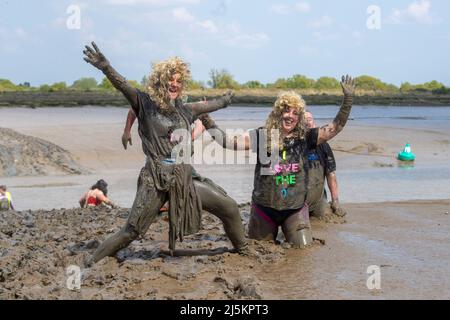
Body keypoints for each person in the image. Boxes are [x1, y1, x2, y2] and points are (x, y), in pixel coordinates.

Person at [82, 42, 248, 265]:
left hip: (183, 178)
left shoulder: (185, 109)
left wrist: (225, 101)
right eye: (170, 78)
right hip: (155, 181)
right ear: (160, 80)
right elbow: (123, 86)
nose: (174, 83)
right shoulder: (144, 103)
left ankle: (245, 249)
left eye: (179, 80)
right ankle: (92, 261)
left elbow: (209, 106)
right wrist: (106, 67)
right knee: (131, 231)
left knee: (228, 207)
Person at [198, 75, 355, 247]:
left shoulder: (307, 137)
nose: (290, 116)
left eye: (295, 113)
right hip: (264, 209)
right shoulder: (261, 136)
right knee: (259, 250)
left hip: (295, 210)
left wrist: (347, 100)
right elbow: (227, 142)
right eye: (286, 110)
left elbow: (335, 128)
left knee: (303, 251)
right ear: (278, 113)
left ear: (300, 117)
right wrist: (205, 118)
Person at [304, 111, 346, 217]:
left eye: (309, 119)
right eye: (304, 119)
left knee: (323, 218)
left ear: (314, 124)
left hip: (318, 198)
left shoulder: (324, 146)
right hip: (296, 199)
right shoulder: (292, 144)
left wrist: (335, 201)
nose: (307, 122)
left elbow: (331, 173)